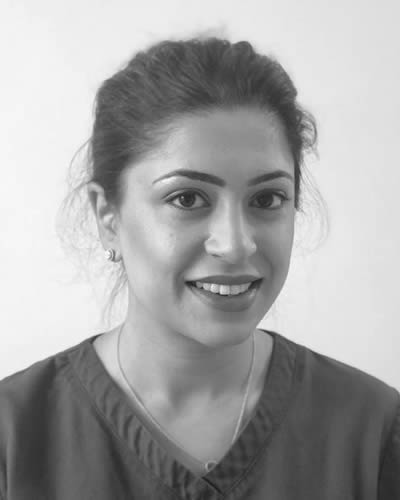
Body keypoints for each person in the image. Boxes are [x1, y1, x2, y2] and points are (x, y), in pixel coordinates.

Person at [0, 35, 398, 499]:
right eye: (187, 199)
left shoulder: (373, 431)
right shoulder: (14, 436)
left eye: (267, 199)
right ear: (107, 216)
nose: (236, 244)